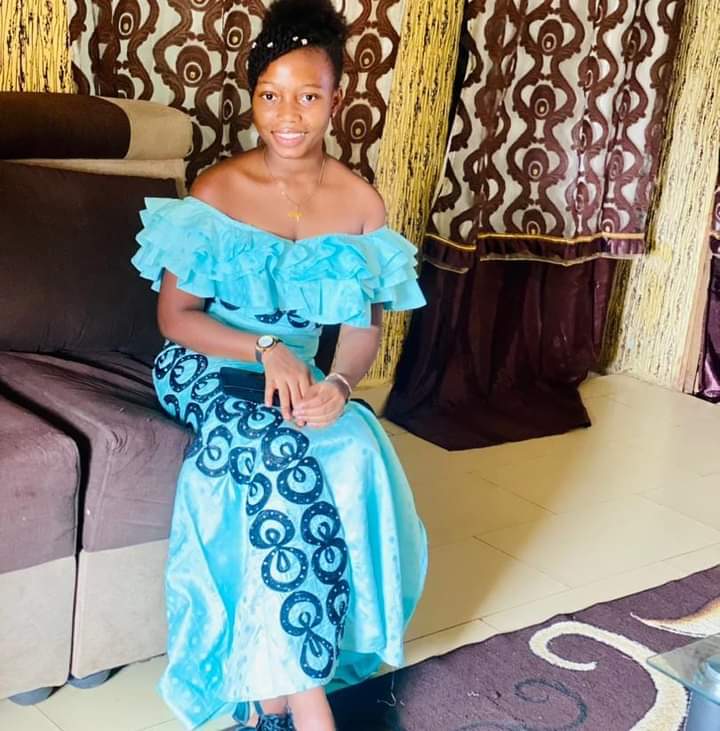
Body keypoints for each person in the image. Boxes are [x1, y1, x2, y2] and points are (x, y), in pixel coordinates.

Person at [132, 0, 427, 728]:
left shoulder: (360, 205)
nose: (287, 116)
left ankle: (269, 691)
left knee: (355, 448)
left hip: (296, 377)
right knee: (275, 453)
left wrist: (340, 383)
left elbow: (360, 332)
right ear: (253, 97)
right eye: (270, 96)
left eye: (308, 97)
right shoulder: (218, 191)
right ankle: (306, 700)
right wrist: (264, 348)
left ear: (338, 100)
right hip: (207, 365)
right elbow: (176, 318)